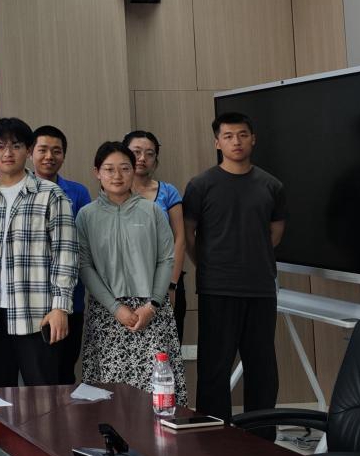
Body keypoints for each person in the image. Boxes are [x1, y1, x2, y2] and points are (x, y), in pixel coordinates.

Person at [184, 112, 285, 433]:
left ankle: (261, 438)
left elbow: (275, 232)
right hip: (217, 288)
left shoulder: (271, 185)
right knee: (214, 368)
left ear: (253, 138)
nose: (236, 142)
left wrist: (251, 257)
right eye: (228, 136)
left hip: (260, 288)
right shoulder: (200, 185)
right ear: (217, 143)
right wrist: (209, 265)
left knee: (262, 368)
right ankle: (213, 438)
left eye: (242, 135)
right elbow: (188, 235)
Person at [0, 117, 77, 388]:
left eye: (15, 146)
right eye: (0, 146)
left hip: (36, 314)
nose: (8, 153)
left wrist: (60, 307)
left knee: (44, 396)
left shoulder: (51, 195)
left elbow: (66, 254)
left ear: (28, 150)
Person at [77, 142, 186, 405]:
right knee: (109, 396)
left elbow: (166, 259)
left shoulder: (151, 210)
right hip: (107, 314)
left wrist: (152, 305)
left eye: (125, 168)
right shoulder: (86, 215)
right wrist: (116, 308)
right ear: (97, 172)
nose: (117, 175)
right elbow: (85, 266)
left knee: (156, 392)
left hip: (151, 311)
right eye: (109, 169)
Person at [29, 125, 92, 384]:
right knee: (35, 378)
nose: (49, 156)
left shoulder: (78, 193)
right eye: (42, 150)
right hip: (30, 303)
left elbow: (82, 244)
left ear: (64, 155)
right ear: (30, 152)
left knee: (64, 373)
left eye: (56, 151)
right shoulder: (20, 191)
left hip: (69, 301)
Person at [122, 130, 187, 342]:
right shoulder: (114, 191)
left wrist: (172, 284)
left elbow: (179, 238)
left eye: (149, 154)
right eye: (136, 152)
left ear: (155, 161)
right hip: (125, 283)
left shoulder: (168, 192)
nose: (142, 158)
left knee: (166, 345)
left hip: (165, 278)